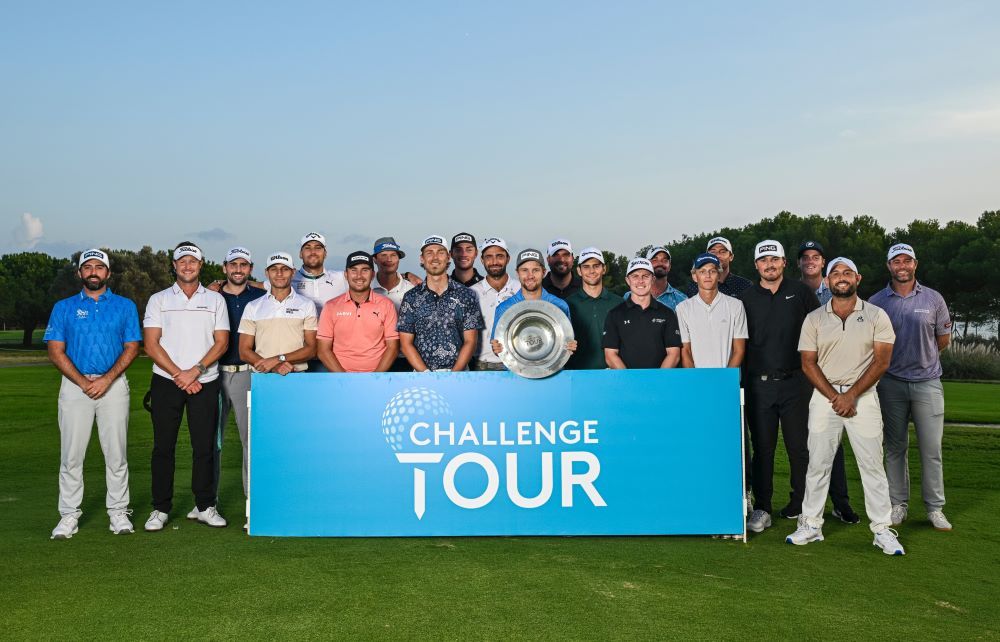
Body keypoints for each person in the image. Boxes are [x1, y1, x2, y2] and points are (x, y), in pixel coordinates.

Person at [739, 241, 860, 534]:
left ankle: (802, 504)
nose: (769, 264)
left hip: (796, 383)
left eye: (774, 259)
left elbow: (822, 331)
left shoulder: (801, 292)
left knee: (800, 448)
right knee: (763, 449)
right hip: (759, 385)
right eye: (763, 260)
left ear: (784, 263)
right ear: (756, 265)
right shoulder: (746, 298)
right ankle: (763, 508)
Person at [787, 257, 904, 555]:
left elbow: (882, 362)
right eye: (836, 273)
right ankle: (811, 524)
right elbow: (808, 363)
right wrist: (836, 397)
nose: (841, 277)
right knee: (818, 464)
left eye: (847, 272)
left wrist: (851, 395)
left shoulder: (876, 315)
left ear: (857, 278)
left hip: (863, 398)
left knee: (872, 465)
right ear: (827, 281)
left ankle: (882, 529)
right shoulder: (814, 318)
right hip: (824, 398)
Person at [45, 249, 141, 539]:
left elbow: (132, 347)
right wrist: (82, 382)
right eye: (88, 267)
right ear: (79, 273)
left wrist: (107, 380)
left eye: (99, 267)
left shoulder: (125, 306)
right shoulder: (64, 307)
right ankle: (69, 515)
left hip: (114, 387)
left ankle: (118, 512)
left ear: (108, 273)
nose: (93, 272)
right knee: (71, 455)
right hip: (75, 387)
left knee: (116, 454)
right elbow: (55, 350)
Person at [142, 242, 230, 531]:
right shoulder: (159, 299)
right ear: (174, 265)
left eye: (193, 261)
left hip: (205, 381)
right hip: (167, 381)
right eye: (182, 261)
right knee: (163, 447)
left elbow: (221, 343)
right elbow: (151, 344)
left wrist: (195, 372)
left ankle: (205, 505)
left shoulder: (215, 300)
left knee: (204, 447)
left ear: (201, 265)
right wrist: (179, 374)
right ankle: (160, 508)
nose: (187, 266)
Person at [869, 243, 954, 531]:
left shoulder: (933, 298)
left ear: (915, 264)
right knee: (895, 447)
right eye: (897, 261)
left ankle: (935, 508)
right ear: (889, 266)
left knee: (931, 449)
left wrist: (922, 360)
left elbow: (942, 340)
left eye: (907, 261)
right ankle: (898, 504)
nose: (902, 266)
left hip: (927, 383)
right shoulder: (877, 301)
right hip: (890, 383)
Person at [201, 246, 265, 527]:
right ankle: (206, 503)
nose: (238, 269)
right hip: (213, 373)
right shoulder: (211, 296)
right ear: (224, 268)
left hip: (246, 374)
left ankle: (253, 503)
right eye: (233, 264)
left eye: (244, 265)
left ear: (250, 269)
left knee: (250, 441)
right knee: (211, 441)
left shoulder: (260, 297)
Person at [398, 235, 484, 372]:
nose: (435, 257)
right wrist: (425, 374)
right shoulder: (411, 297)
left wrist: (454, 374)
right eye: (429, 253)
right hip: (422, 375)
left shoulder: (466, 295)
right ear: (422, 258)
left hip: (459, 375)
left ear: (448, 257)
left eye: (440, 252)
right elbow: (405, 344)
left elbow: (471, 341)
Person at [316, 251, 399, 373]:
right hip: (340, 377)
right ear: (346, 274)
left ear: (372, 274)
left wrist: (375, 378)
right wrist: (344, 379)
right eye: (354, 270)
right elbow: (323, 350)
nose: (359, 276)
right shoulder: (331, 306)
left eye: (365, 270)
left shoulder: (387, 305)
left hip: (377, 377)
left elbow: (392, 348)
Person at [238, 252, 318, 376]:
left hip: (297, 375)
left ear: (293, 272)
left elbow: (312, 349)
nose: (279, 273)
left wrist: (278, 359)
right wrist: (274, 366)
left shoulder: (307, 305)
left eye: (285, 269)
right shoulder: (253, 306)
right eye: (274, 269)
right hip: (263, 376)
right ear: (267, 273)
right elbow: (244, 351)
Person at [490, 248, 576, 358]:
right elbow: (498, 347)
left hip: (550, 368)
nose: (530, 276)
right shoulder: (504, 308)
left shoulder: (559, 306)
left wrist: (570, 346)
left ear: (543, 272)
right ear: (517, 273)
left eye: (535, 270)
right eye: (524, 270)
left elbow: (567, 344)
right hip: (517, 368)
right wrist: (496, 348)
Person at [603, 258, 682, 369]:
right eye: (635, 276)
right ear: (627, 280)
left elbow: (674, 354)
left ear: (653, 279)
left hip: (659, 379)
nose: (640, 281)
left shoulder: (667, 313)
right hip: (626, 379)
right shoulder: (614, 314)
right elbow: (610, 355)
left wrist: (659, 378)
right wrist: (628, 378)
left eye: (645, 276)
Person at [676, 253, 747, 369]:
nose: (708, 275)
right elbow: (686, 351)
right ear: (694, 276)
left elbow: (738, 350)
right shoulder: (682, 308)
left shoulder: (736, 305)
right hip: (696, 378)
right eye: (702, 271)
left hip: (726, 377)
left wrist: (725, 377)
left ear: (719, 275)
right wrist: (694, 378)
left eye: (712, 271)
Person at [469, 237, 519, 371]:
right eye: (489, 257)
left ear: (508, 259)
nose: (494, 262)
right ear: (482, 260)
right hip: (481, 367)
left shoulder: (521, 289)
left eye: (500, 256)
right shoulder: (471, 293)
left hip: (518, 365)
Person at [565, 248, 619, 370]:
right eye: (586, 267)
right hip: (576, 374)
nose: (591, 271)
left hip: (611, 373)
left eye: (596, 266)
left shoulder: (619, 303)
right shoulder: (567, 304)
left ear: (604, 269)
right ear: (579, 271)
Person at [372, 236, 417, 372]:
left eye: (393, 255)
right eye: (383, 255)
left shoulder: (412, 290)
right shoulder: (365, 289)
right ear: (374, 259)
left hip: (406, 359)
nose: (389, 259)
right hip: (374, 358)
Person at [683, 236, 753, 298]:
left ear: (731, 257)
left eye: (722, 252)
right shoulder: (694, 287)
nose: (717, 255)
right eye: (713, 252)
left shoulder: (744, 285)